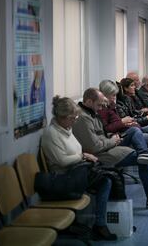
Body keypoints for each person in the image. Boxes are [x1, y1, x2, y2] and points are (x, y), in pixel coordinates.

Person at [72, 88, 148, 209]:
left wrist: (112, 138)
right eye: (99, 105)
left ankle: (144, 154)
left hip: (107, 146)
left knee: (135, 136)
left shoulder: (91, 114)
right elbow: (94, 147)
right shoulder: (84, 118)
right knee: (142, 160)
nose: (100, 108)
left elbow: (102, 135)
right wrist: (112, 141)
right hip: (100, 155)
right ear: (89, 102)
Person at [42, 96, 117, 241]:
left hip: (76, 171)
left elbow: (77, 151)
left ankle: (108, 221)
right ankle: (100, 225)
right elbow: (62, 161)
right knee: (106, 181)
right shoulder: (51, 134)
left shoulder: (66, 129)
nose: (74, 121)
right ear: (61, 117)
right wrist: (83, 157)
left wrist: (82, 156)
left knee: (110, 175)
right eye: (72, 118)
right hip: (64, 178)